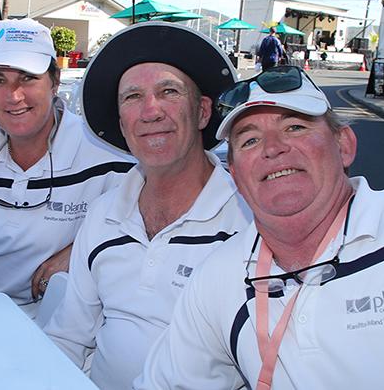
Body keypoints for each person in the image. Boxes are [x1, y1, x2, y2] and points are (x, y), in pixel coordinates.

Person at [136, 65, 384, 389]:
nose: (272, 148)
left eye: (295, 127)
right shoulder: (219, 277)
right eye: (250, 140)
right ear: (236, 176)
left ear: (344, 146)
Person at [42, 22, 253, 390]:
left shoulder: (250, 220)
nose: (150, 111)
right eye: (132, 97)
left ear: (203, 112)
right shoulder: (104, 214)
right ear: (122, 124)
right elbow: (70, 337)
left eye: (168, 91)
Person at [0, 18, 134, 316]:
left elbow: (140, 224)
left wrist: (79, 251)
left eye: (28, 78)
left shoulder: (103, 151)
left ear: (54, 82)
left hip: (37, 320)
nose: (13, 95)